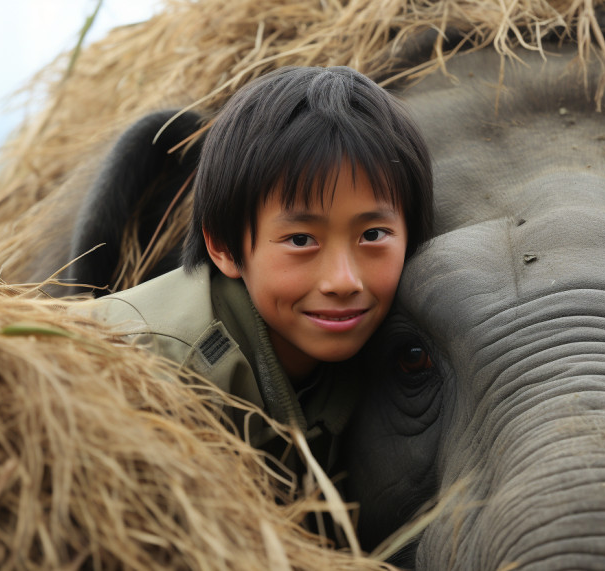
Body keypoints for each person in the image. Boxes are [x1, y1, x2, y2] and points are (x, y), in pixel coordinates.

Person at [87, 66, 433, 468]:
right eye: (301, 240)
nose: (343, 281)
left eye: (372, 235)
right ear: (224, 248)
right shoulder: (155, 379)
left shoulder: (373, 347)